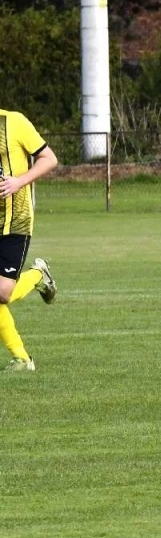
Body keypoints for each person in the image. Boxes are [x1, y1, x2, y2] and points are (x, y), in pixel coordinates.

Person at [0, 104, 60, 373]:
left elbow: (49, 158)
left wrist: (19, 181)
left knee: (2, 292)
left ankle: (38, 275)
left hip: (16, 221)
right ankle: (22, 359)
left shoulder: (14, 122)